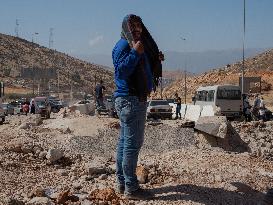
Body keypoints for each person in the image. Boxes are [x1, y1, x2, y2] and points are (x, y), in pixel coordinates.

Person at [112, 14, 164, 200]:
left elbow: (143, 68)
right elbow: (122, 71)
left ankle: (122, 183)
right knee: (132, 146)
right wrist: (135, 52)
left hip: (132, 100)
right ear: (125, 27)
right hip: (131, 100)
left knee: (125, 144)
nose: (136, 29)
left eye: (139, 25)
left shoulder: (133, 44)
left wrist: (154, 59)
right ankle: (132, 188)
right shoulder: (124, 45)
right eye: (132, 26)